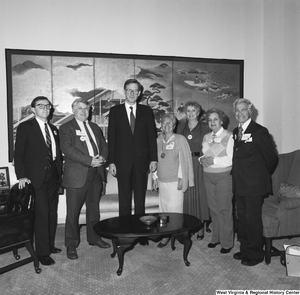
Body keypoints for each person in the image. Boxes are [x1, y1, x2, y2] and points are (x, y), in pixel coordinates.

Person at [14, 96, 63, 266]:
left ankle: (48, 245)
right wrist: (21, 176)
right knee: (42, 214)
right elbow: (18, 154)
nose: (45, 108)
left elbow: (57, 156)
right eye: (40, 105)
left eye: (47, 105)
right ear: (33, 109)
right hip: (36, 178)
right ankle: (42, 253)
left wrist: (59, 177)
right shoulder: (25, 127)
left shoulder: (54, 129)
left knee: (51, 212)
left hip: (53, 177)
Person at [60, 98, 110, 260]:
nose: (83, 111)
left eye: (86, 109)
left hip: (96, 174)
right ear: (73, 110)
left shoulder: (95, 127)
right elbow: (67, 149)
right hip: (76, 176)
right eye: (80, 108)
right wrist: (89, 160)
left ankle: (94, 238)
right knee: (73, 212)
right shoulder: (66, 127)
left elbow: (104, 145)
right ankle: (71, 244)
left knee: (93, 209)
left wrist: (102, 158)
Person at [232, 98, 278, 266]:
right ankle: (245, 248)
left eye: (243, 109)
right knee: (242, 218)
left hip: (254, 184)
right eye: (237, 110)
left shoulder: (259, 131)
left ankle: (255, 254)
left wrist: (260, 177)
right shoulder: (235, 131)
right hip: (239, 183)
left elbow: (271, 159)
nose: (240, 113)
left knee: (253, 220)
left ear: (250, 111)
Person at [108, 79, 158, 217]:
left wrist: (153, 159)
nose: (132, 93)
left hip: (142, 162)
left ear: (139, 93)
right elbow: (111, 138)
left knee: (140, 201)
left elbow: (151, 137)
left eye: (135, 90)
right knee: (124, 200)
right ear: (124, 91)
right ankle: (125, 234)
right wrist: (111, 161)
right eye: (129, 90)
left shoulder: (146, 111)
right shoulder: (115, 111)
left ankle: (140, 233)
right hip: (122, 163)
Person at [153, 113, 194, 247]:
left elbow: (184, 161)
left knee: (175, 211)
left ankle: (176, 234)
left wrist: (183, 178)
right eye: (164, 123)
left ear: (174, 125)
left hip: (175, 182)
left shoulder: (180, 139)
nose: (167, 126)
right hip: (162, 181)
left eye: (170, 123)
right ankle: (165, 235)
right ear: (161, 125)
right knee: (163, 211)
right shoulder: (158, 140)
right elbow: (155, 160)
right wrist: (154, 177)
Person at [200, 108, 234, 254]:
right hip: (208, 176)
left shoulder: (230, 136)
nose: (212, 122)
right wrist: (202, 160)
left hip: (223, 177)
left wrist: (212, 160)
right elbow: (202, 156)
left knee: (225, 210)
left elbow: (229, 160)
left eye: (215, 119)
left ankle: (227, 242)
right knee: (213, 209)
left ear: (221, 121)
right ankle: (216, 237)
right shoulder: (206, 137)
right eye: (210, 120)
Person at [176, 101, 211, 239]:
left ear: (198, 112)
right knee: (187, 195)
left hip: (199, 164)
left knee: (200, 194)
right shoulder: (181, 127)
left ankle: (201, 225)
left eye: (193, 111)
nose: (190, 113)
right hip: (184, 163)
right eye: (188, 111)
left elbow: (210, 146)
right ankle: (189, 225)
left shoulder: (205, 127)